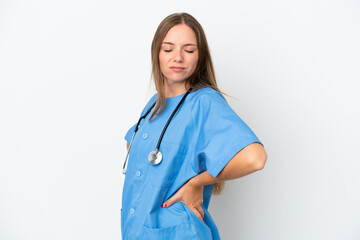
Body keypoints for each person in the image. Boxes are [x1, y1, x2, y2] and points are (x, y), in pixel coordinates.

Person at [122, 12, 267, 240]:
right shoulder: (153, 106)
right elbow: (135, 148)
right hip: (137, 230)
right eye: (168, 49)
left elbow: (255, 158)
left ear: (200, 57)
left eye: (188, 50)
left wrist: (196, 183)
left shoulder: (204, 102)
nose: (177, 57)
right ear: (156, 54)